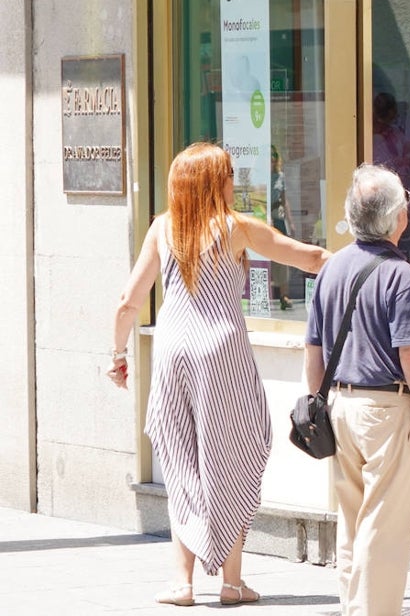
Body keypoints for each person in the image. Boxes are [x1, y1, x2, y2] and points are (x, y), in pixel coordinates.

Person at [107, 142, 330, 607]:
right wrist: (366, 256)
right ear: (216, 183)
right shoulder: (236, 227)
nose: (234, 182)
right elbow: (308, 258)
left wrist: (117, 354)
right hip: (221, 352)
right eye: (229, 175)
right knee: (233, 455)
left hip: (172, 351)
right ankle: (232, 583)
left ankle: (183, 584)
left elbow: (128, 301)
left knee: (181, 460)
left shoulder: (162, 229)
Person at [305, 164, 410, 615]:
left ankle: (353, 607)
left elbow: (312, 349)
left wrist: (319, 405)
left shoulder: (331, 269)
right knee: (383, 524)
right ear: (397, 218)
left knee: (352, 520)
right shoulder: (400, 275)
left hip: (339, 406)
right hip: (383, 408)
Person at [270, 144, 297, 310]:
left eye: (273, 155)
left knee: (282, 256)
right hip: (264, 218)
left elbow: (284, 200)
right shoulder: (260, 175)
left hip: (278, 218)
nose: (271, 159)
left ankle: (284, 295)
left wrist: (291, 221)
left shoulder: (280, 176)